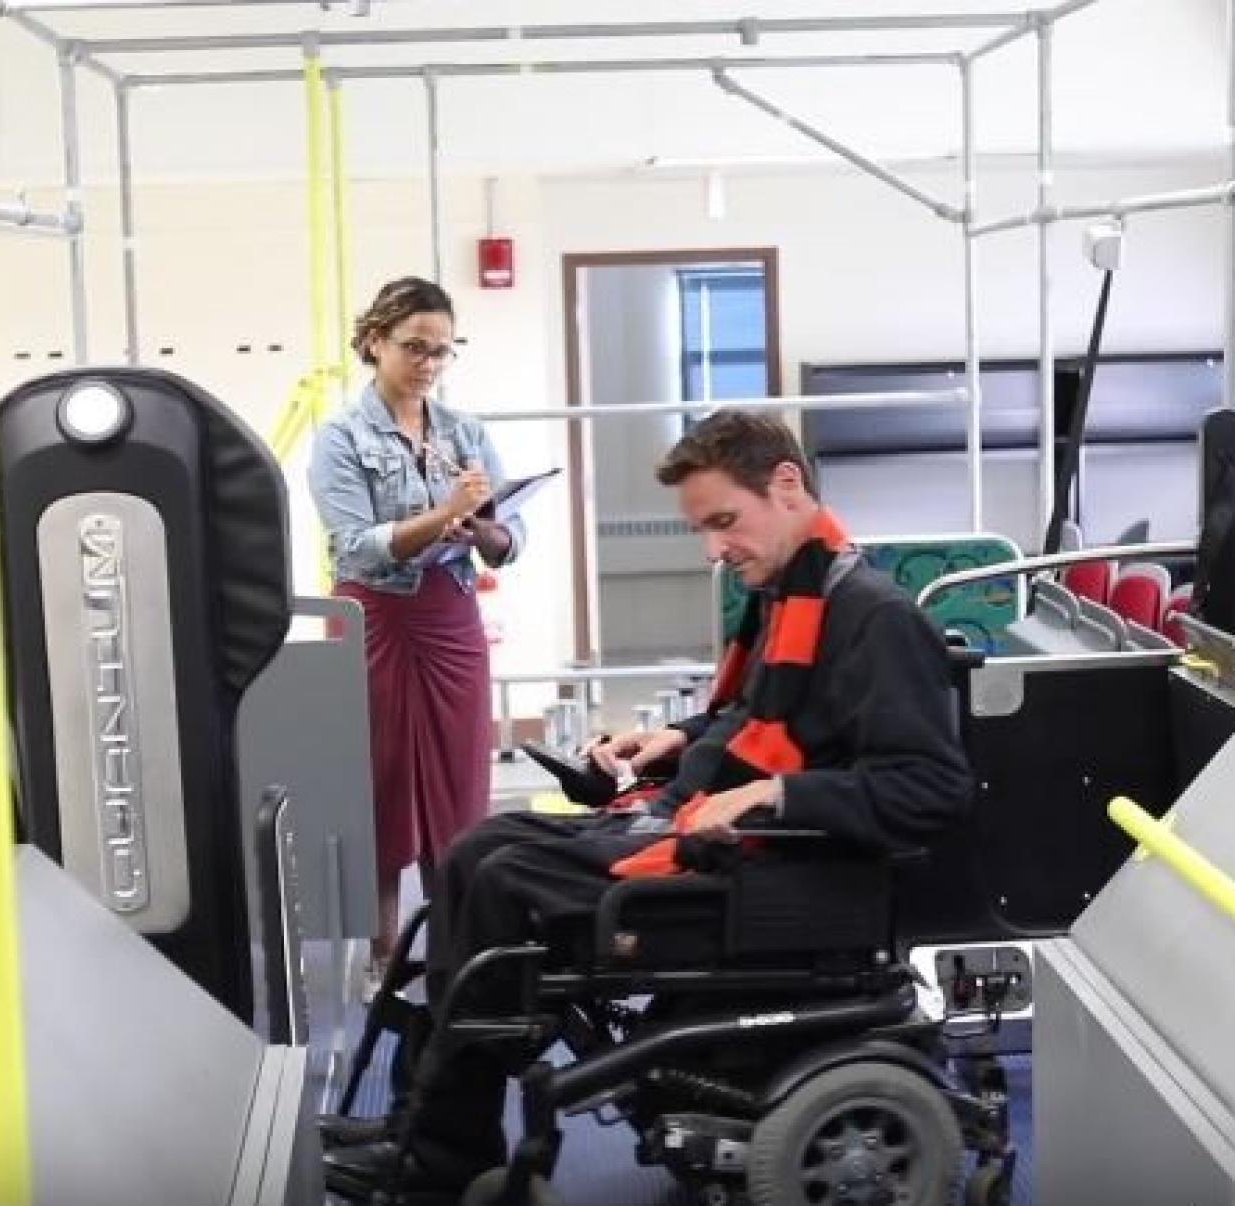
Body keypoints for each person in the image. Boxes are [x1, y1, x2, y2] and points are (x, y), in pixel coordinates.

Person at [324, 409, 974, 1201]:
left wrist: (775, 790)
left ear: (788, 484)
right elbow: (772, 720)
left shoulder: (874, 617)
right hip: (703, 823)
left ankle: (440, 1153)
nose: (714, 550)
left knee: (499, 878)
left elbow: (931, 787)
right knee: (476, 850)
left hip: (774, 871)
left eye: (724, 522)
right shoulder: (795, 593)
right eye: (703, 529)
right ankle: (422, 1124)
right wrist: (678, 736)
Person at [308, 276, 526, 996]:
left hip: (452, 623)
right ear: (375, 342)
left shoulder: (465, 432)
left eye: (442, 350)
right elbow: (358, 545)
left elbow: (509, 535)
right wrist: (443, 517)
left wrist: (486, 527)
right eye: (414, 347)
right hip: (377, 624)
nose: (429, 363)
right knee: (381, 788)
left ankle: (453, 951)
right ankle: (379, 954)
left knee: (461, 793)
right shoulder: (341, 437)